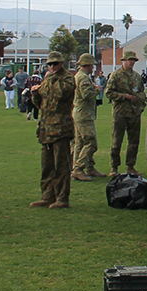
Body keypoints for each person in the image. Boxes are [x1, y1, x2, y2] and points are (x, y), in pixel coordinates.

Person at [32, 52, 75, 208]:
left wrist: (46, 84)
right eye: (49, 64)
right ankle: (48, 195)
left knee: (61, 166)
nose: (51, 67)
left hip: (61, 128)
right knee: (47, 166)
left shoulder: (67, 79)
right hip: (46, 127)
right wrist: (35, 94)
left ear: (61, 63)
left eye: (54, 64)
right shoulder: (48, 79)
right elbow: (42, 104)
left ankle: (62, 198)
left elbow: (59, 94)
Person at [106, 49, 146, 174]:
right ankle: (114, 167)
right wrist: (125, 96)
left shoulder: (137, 77)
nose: (131, 62)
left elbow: (141, 92)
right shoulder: (116, 76)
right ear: (123, 61)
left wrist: (140, 104)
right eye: (129, 60)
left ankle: (130, 166)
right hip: (120, 112)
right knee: (116, 141)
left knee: (134, 141)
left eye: (133, 60)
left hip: (134, 112)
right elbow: (109, 93)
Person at [70, 53, 101, 181]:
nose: (93, 68)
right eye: (92, 65)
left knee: (80, 143)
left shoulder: (80, 76)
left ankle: (87, 168)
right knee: (91, 142)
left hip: (80, 113)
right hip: (84, 115)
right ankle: (78, 168)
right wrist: (97, 89)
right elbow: (87, 94)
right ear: (87, 65)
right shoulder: (82, 78)